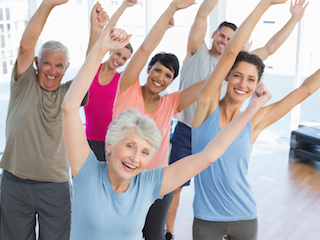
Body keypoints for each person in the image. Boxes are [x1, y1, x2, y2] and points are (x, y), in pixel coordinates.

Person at [61, 24, 271, 239]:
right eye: (130, 146)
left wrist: (251, 109)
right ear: (110, 144)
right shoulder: (86, 172)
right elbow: (69, 108)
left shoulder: (148, 183)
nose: (135, 158)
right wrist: (101, 48)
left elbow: (209, 155)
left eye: (145, 152)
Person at [165, 0, 308, 238]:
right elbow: (212, 26)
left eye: (250, 79)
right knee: (174, 188)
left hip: (241, 204)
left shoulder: (241, 71)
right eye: (222, 36)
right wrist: (266, 4)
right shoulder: (200, 58)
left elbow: (276, 56)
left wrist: (293, 18)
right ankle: (168, 232)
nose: (243, 83)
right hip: (189, 129)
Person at [0, 0, 106, 239]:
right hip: (15, 184)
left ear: (66, 67)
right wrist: (48, 4)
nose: (52, 70)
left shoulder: (69, 94)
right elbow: (26, 46)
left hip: (55, 188)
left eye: (59, 65)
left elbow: (90, 68)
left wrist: (96, 32)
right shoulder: (23, 83)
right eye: (47, 62)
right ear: (37, 63)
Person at [111, 0, 217, 238]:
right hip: (121, 177)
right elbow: (144, 49)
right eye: (157, 70)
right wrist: (172, 9)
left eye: (168, 75)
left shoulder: (170, 102)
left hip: (154, 182)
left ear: (172, 81)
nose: (160, 77)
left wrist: (230, 64)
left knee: (154, 235)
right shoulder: (128, 89)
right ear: (148, 69)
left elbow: (206, 86)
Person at [84, 0, 137, 161]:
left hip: (112, 142)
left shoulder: (121, 81)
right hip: (88, 139)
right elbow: (104, 34)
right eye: (118, 54)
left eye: (124, 59)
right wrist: (123, 6)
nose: (119, 60)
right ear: (111, 50)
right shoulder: (92, 67)